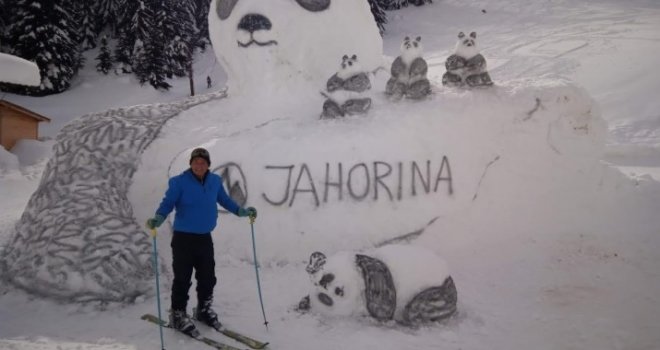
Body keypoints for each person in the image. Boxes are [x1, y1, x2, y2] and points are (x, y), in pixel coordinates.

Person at [146, 147, 257, 337]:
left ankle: (203, 310)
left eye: (203, 162)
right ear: (191, 163)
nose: (199, 165)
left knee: (207, 277)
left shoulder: (214, 181)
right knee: (183, 278)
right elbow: (167, 203)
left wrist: (241, 211)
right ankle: (178, 314)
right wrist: (158, 217)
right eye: (196, 162)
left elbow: (224, 200)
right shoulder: (178, 182)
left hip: (204, 238)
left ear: (208, 165)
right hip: (183, 239)